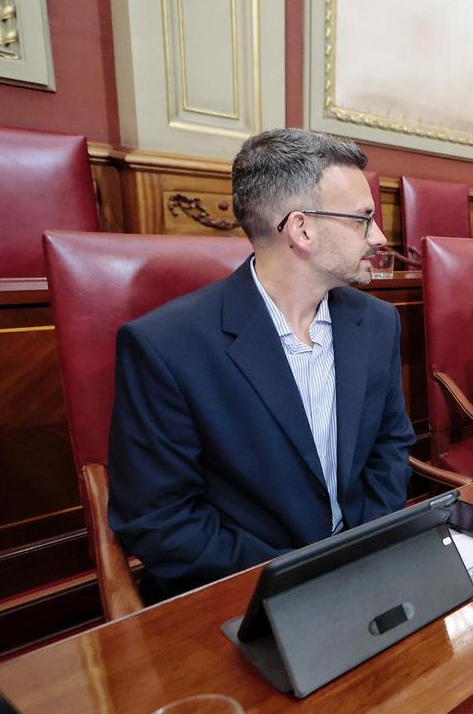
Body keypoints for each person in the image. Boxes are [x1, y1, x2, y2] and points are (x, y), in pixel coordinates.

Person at [108, 128, 416, 602]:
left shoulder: (377, 323)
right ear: (302, 230)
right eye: (363, 219)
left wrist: (359, 547)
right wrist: (294, 576)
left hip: (362, 570)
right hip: (241, 591)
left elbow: (391, 444)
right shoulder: (165, 346)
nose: (378, 237)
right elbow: (159, 519)